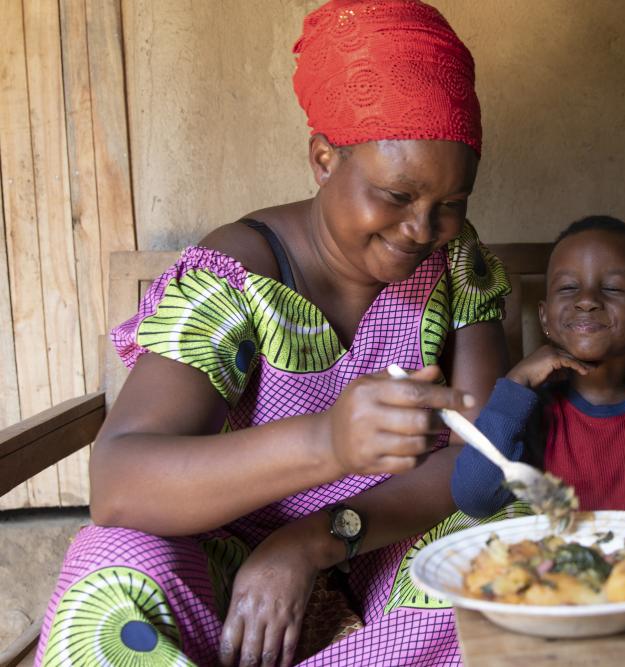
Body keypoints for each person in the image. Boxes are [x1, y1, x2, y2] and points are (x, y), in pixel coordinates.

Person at [36, 2, 522, 666]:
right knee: (110, 566)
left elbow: (480, 458)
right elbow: (121, 482)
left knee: (506, 551)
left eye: (452, 204)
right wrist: (327, 441)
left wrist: (314, 540)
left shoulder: (456, 261)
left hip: (378, 549)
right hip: (226, 574)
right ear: (324, 159)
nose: (422, 229)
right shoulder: (237, 274)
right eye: (396, 195)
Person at [451, 216, 625, 533]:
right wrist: (517, 383)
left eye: (612, 288)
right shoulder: (527, 413)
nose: (586, 300)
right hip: (554, 576)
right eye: (569, 287)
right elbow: (474, 498)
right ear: (545, 317)